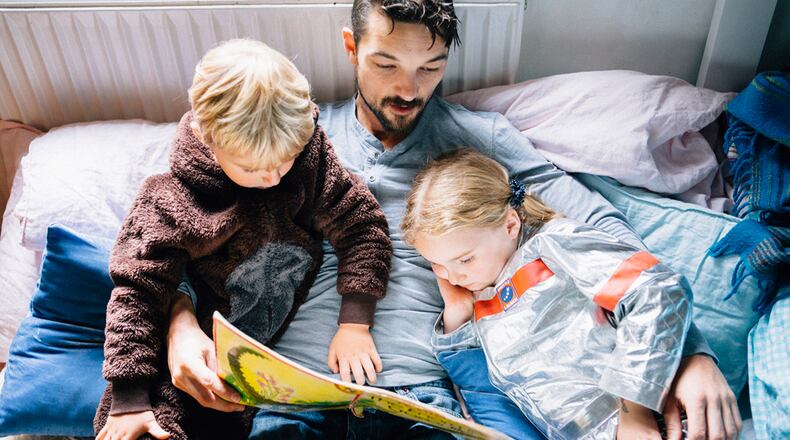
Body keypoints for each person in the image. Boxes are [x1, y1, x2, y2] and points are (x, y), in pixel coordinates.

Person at [166, 2, 742, 439]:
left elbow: (606, 233)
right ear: (351, 47)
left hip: (421, 399)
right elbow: (190, 231)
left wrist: (689, 353)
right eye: (386, 63)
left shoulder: (481, 138)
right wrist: (180, 322)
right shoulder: (294, 139)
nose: (407, 89)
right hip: (297, 389)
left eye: (431, 67)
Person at [94, 39, 392, 440]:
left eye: (285, 160)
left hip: (258, 376)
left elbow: (363, 226)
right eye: (253, 168)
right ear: (206, 136)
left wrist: (355, 322)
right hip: (175, 360)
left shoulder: (311, 160)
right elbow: (137, 293)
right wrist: (129, 398)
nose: (273, 177)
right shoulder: (168, 199)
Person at [402, 149, 696, 439]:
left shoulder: (553, 246)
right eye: (437, 265)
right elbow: (484, 393)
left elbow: (656, 290)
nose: (454, 277)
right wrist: (457, 317)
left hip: (652, 423)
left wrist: (635, 411)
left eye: (465, 260)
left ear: (510, 224)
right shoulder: (481, 304)